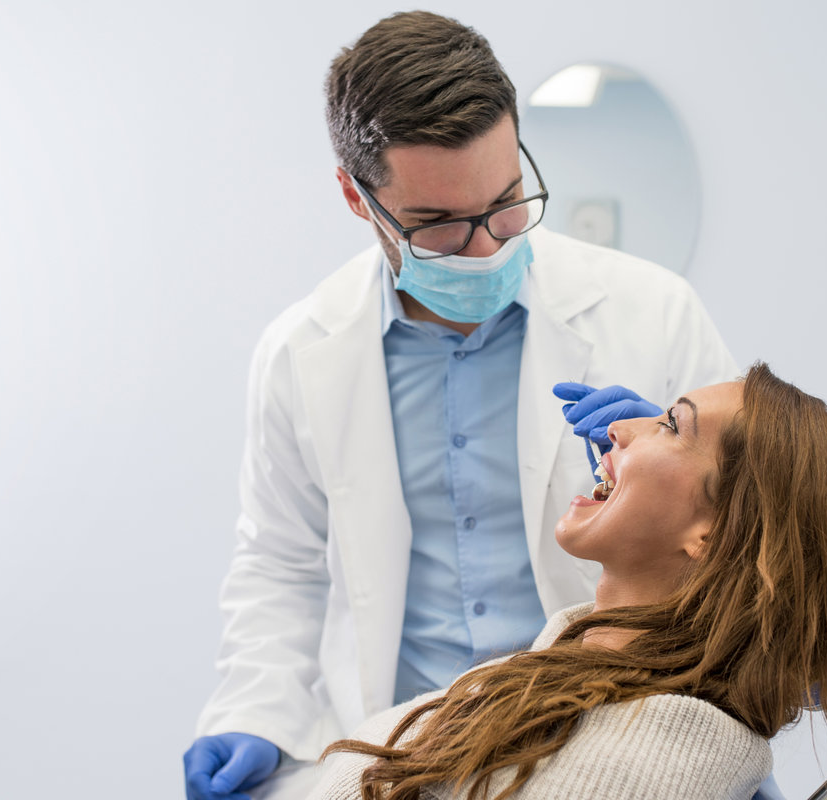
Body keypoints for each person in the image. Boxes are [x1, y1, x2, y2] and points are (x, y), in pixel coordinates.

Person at [185, 11, 738, 800]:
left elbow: (749, 542)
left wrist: (691, 471)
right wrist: (255, 711)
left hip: (606, 735)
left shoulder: (654, 312)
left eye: (506, 202)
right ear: (356, 198)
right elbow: (281, 560)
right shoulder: (298, 354)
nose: (487, 248)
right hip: (402, 749)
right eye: (439, 227)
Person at [309, 363, 827, 800]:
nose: (618, 429)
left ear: (714, 532)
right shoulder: (564, 673)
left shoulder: (642, 759)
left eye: (669, 425)